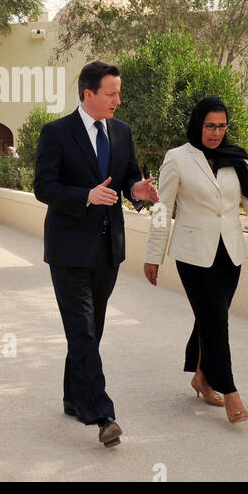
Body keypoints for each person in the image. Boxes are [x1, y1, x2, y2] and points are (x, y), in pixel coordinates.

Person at [142, 97, 248, 424]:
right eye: (210, 125)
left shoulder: (237, 160)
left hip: (230, 253)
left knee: (211, 317)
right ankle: (230, 392)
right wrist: (153, 255)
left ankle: (201, 376)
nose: (215, 132)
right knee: (216, 320)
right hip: (192, 254)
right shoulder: (177, 158)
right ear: (199, 124)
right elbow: (162, 209)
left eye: (221, 126)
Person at [33, 61, 160, 448]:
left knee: (91, 331)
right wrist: (85, 196)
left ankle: (74, 398)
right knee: (84, 330)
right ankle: (101, 413)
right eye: (111, 93)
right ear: (88, 94)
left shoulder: (122, 132)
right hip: (69, 250)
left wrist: (137, 190)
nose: (118, 101)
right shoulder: (56, 133)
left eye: (118, 93)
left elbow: (124, 180)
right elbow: (43, 186)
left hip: (108, 250)